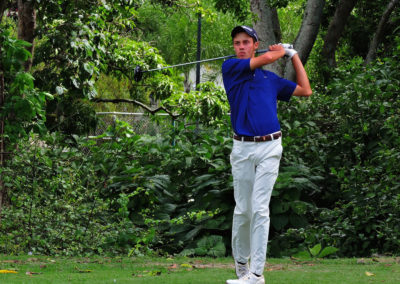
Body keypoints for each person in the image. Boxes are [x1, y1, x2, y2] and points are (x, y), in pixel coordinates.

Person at [222, 26, 312, 284]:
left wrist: (293, 56)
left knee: (260, 209)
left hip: (271, 146)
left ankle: (257, 274)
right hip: (242, 148)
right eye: (237, 43)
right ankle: (242, 263)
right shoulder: (231, 69)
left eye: (245, 42)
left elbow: (305, 90)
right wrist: (281, 52)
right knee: (243, 209)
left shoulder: (271, 80)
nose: (240, 46)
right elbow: (266, 59)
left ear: (254, 43)